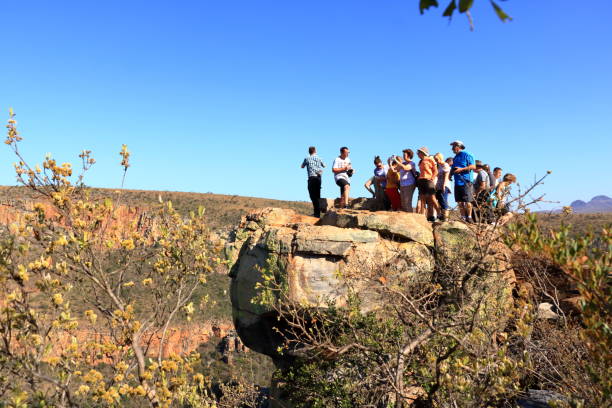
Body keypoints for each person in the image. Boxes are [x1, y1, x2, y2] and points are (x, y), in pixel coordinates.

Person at [450, 140, 476, 223]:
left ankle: (469, 217)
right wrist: (450, 175)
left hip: (466, 181)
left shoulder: (467, 154)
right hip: (457, 181)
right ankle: (463, 217)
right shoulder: (455, 157)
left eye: (454, 146)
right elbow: (453, 168)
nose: (452, 148)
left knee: (468, 201)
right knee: (459, 201)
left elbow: (473, 166)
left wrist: (462, 169)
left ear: (459, 146)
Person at [416, 147, 440, 222]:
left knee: (432, 198)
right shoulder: (420, 161)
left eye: (418, 153)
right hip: (421, 180)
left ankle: (440, 214)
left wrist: (432, 178)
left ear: (422, 153)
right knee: (422, 198)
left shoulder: (430, 159)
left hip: (428, 180)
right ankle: (422, 216)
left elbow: (436, 171)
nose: (417, 154)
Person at [301, 146, 325, 218]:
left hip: (311, 178)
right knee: (318, 195)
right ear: (315, 151)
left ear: (309, 151)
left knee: (312, 195)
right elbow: (324, 166)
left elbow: (302, 166)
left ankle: (316, 213)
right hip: (318, 178)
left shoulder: (307, 158)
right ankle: (317, 213)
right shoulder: (319, 158)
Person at [434, 153, 451, 221]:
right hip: (439, 185)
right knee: (439, 201)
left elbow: (446, 176)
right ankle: (441, 217)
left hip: (444, 185)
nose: (436, 160)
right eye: (435, 159)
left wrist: (443, 185)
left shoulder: (445, 165)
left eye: (437, 159)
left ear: (440, 158)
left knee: (444, 201)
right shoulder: (439, 166)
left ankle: (446, 218)